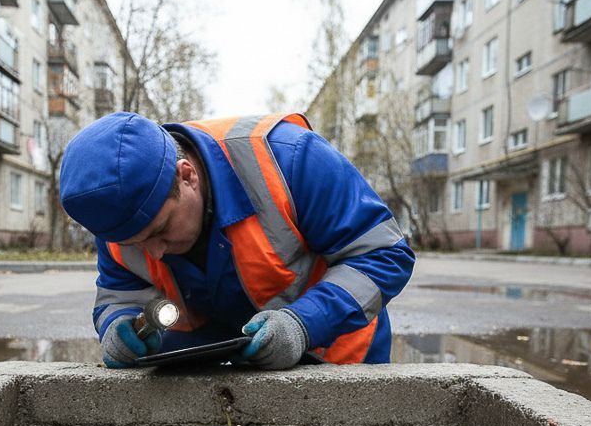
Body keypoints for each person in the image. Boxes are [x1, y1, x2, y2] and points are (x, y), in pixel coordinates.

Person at [59, 111, 415, 370]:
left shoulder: (290, 159)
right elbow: (118, 292)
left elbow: (383, 254)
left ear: (187, 176)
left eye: (160, 229)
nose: (154, 252)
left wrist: (304, 323)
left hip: (332, 361)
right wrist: (118, 328)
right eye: (134, 242)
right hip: (205, 376)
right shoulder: (117, 213)